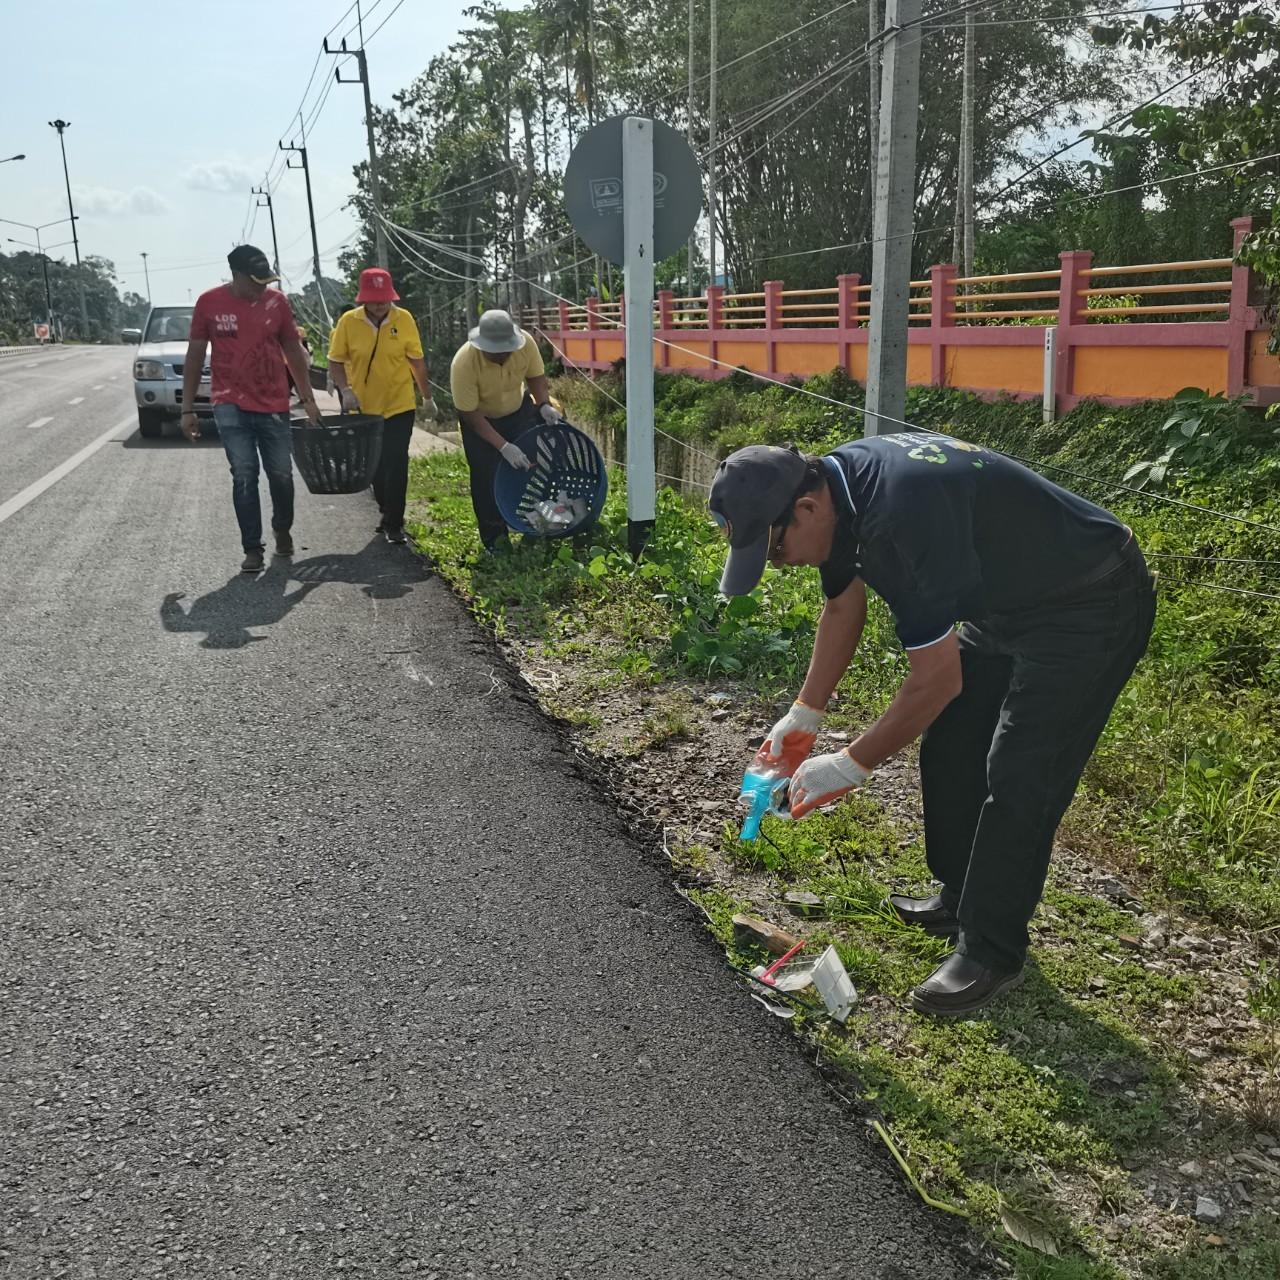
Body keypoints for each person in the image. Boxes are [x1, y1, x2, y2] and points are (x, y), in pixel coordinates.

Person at [710, 430, 1156, 1017]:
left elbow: (936, 678)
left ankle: (992, 952)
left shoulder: (897, 518)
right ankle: (961, 896)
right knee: (951, 740)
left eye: (773, 549)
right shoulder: (837, 491)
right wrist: (805, 714)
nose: (778, 563)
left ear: (806, 510)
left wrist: (851, 764)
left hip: (1089, 599)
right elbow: (843, 604)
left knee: (1021, 771)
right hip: (1005, 601)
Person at [181, 245, 321, 573]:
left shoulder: (278, 302)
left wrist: (308, 399)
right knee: (244, 472)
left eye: (266, 280)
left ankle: (282, 528)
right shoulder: (209, 303)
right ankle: (252, 548)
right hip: (229, 403)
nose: (263, 287)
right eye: (256, 281)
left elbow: (293, 350)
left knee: (281, 474)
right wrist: (187, 409)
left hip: (273, 401)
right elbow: (195, 355)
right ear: (237, 275)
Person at [327, 268, 433, 544]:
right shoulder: (348, 323)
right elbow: (336, 361)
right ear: (363, 299)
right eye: (374, 300)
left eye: (384, 299)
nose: (380, 305)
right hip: (363, 408)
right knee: (373, 463)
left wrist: (427, 396)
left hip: (399, 404)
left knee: (397, 461)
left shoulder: (404, 319)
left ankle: (395, 522)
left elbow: (416, 362)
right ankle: (386, 509)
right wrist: (345, 390)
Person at [449, 308, 562, 551]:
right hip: (480, 421)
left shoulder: (526, 345)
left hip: (517, 411)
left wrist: (543, 404)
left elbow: (536, 377)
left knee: (533, 468)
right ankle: (496, 542)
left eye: (505, 351)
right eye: (494, 352)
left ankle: (535, 529)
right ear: (482, 346)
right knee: (485, 480)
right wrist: (503, 446)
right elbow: (469, 413)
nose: (501, 356)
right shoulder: (464, 362)